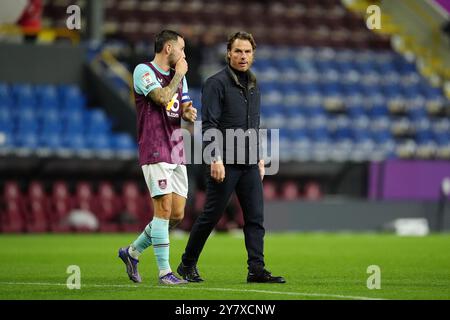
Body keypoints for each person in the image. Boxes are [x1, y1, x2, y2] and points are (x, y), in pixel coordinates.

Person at [177, 31, 285, 284]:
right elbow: (210, 123)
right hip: (224, 162)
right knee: (211, 216)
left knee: (255, 218)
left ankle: (256, 269)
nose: (242, 56)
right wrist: (214, 158)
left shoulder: (253, 84)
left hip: (249, 163)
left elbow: (254, 125)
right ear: (228, 53)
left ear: (253, 55)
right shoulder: (216, 83)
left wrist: (259, 159)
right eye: (238, 51)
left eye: (247, 52)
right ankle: (187, 264)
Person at [118, 30, 197, 285]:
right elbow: (162, 98)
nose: (184, 54)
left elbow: (180, 107)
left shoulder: (178, 77)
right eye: (182, 49)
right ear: (168, 48)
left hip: (176, 148)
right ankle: (165, 273)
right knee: (162, 210)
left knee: (176, 214)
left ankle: (132, 253)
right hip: (154, 147)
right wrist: (180, 74)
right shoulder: (144, 71)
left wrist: (189, 112)